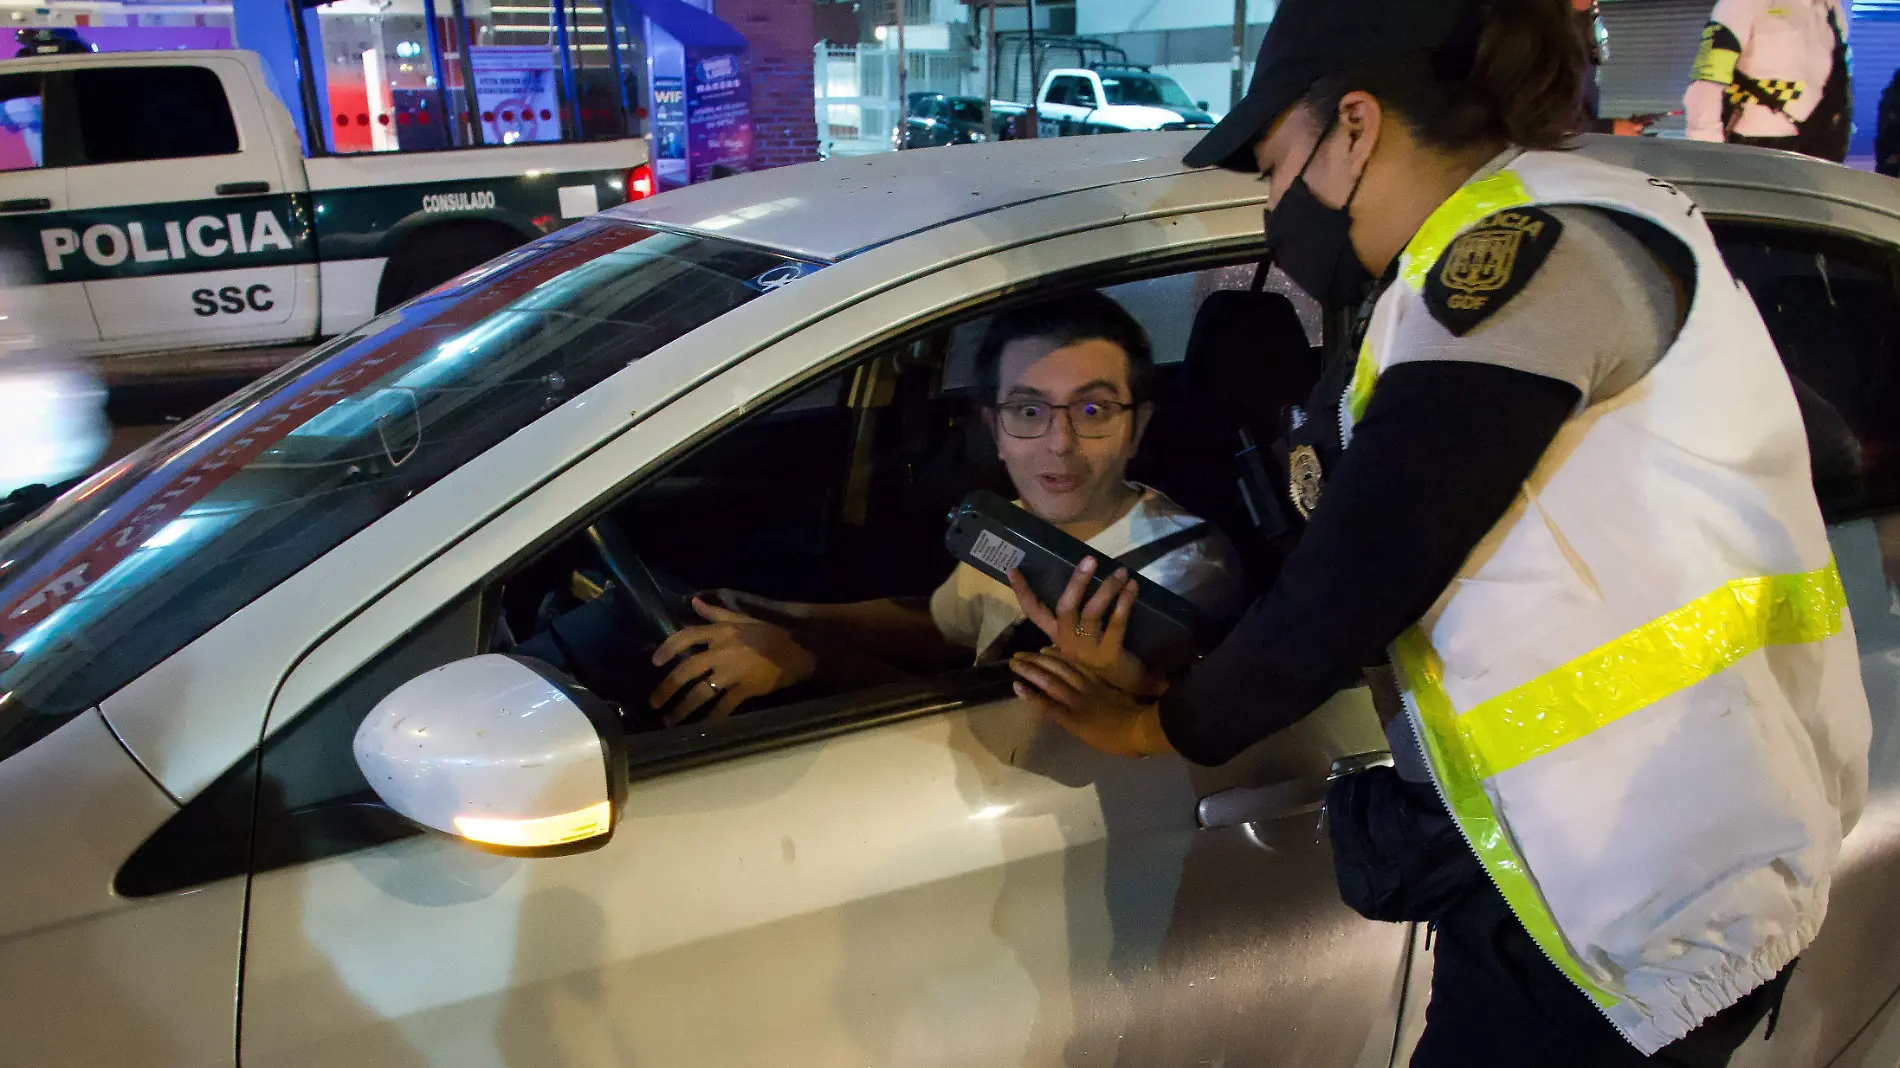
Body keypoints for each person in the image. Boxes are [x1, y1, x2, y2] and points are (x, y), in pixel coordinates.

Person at [1006, 0, 1871, 1065]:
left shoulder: (1527, 254)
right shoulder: (1517, 239)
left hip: (1642, 881)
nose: (1276, 206)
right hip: (1593, 864)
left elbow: (1365, 567)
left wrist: (1156, 729)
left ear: (1355, 126)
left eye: (1277, 166)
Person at [645, 291, 1245, 724]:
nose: (1059, 443)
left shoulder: (1182, 571)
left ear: (1136, 428)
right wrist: (784, 614)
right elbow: (943, 628)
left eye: (1092, 411)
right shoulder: (1015, 523)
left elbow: (1011, 727)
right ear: (996, 431)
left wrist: (808, 660)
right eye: (1029, 411)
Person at [1684, 0, 1850, 162]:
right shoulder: (1741, 3)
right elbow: (1706, 82)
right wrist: (1709, 156)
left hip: (1814, 149)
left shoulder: (1831, 9)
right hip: (1753, 148)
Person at [1571, 0, 1659, 136]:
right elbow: (1550, 123)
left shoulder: (1584, 20)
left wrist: (1621, 126)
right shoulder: (1546, 31)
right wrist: (1612, 128)